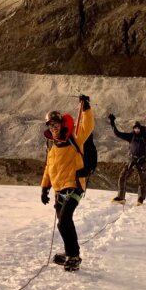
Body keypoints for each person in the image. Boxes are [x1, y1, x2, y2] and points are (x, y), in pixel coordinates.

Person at [40, 95, 94, 272]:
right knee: (63, 222)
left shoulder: (74, 139)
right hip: (59, 190)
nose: (54, 128)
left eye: (56, 125)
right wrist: (44, 188)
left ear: (62, 124)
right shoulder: (53, 147)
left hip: (75, 185)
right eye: (51, 126)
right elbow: (49, 168)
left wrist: (85, 108)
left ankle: (73, 256)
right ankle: (71, 253)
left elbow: (88, 126)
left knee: (64, 221)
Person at [108, 114, 146, 205]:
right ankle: (120, 197)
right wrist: (112, 122)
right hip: (132, 160)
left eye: (137, 128)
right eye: (135, 128)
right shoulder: (130, 136)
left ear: (140, 129)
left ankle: (140, 199)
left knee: (142, 181)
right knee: (122, 177)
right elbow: (117, 133)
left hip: (142, 161)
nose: (136, 130)